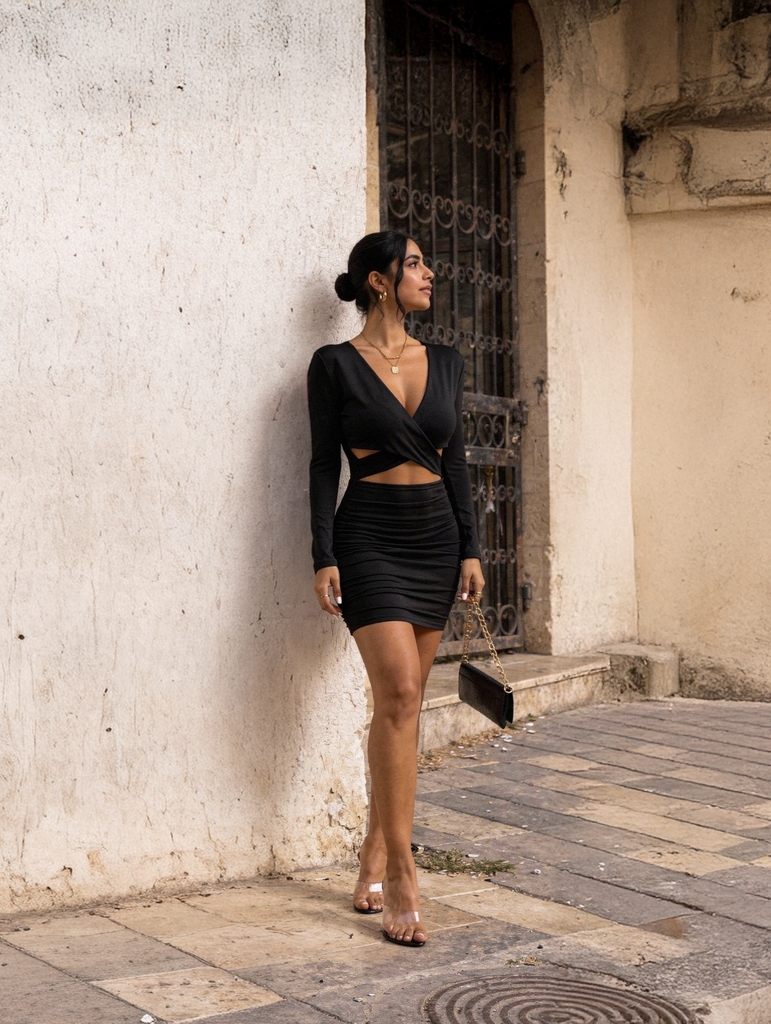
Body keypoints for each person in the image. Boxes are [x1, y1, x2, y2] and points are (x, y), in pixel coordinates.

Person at [308, 231, 484, 947]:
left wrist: (473, 548)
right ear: (379, 282)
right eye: (414, 264)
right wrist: (322, 553)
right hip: (371, 539)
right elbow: (324, 464)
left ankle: (377, 848)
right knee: (401, 695)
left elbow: (459, 461)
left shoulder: (444, 362)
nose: (428, 274)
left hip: (436, 539)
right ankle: (405, 873)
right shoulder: (334, 366)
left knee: (405, 711)